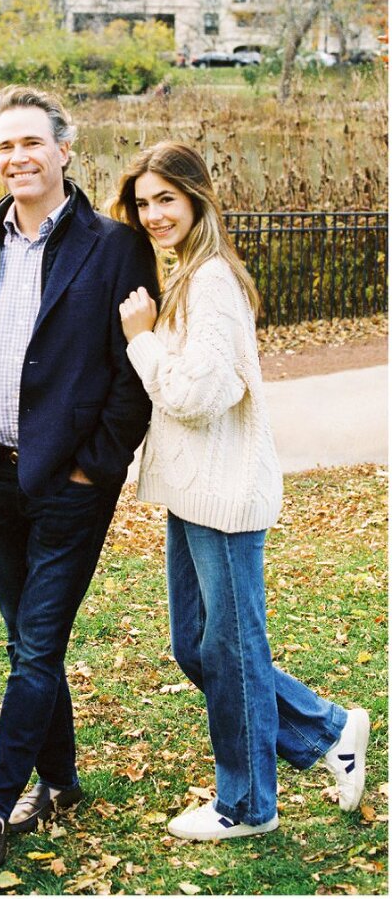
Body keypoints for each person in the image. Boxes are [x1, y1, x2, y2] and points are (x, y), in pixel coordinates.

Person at [114, 141, 371, 841]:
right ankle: (327, 729)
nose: (154, 213)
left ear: (198, 196)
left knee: (228, 649)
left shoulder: (212, 282)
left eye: (166, 197)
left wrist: (142, 340)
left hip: (223, 494)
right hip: (195, 492)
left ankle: (249, 802)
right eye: (143, 202)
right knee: (199, 647)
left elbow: (200, 393)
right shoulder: (189, 275)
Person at [0, 85, 159, 875]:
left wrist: (92, 465)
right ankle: (61, 779)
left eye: (31, 142)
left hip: (69, 484)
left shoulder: (114, 246)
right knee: (30, 641)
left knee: (34, 647)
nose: (17, 158)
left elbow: (132, 373)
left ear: (66, 149)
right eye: (4, 146)